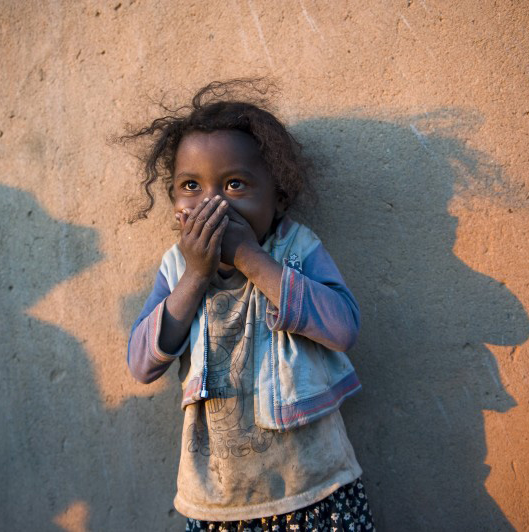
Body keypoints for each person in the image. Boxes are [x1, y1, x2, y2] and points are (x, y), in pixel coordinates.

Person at [125, 80, 375, 531]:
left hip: (315, 490)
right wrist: (196, 275)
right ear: (175, 202)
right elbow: (142, 364)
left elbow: (343, 329)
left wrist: (250, 258)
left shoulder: (297, 248)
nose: (213, 203)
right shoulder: (175, 267)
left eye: (235, 184)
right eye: (191, 186)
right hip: (220, 504)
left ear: (277, 195)